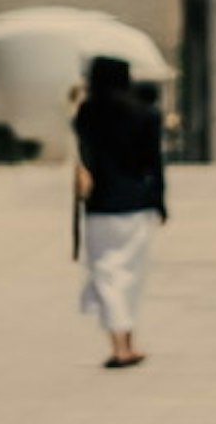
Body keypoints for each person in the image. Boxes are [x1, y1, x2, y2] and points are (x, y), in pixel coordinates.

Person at [70, 47, 168, 363]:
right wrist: (160, 202)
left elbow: (84, 152)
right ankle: (126, 341)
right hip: (137, 203)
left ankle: (119, 344)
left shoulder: (88, 113)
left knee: (105, 272)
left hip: (101, 204)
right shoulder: (146, 114)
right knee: (131, 274)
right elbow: (155, 162)